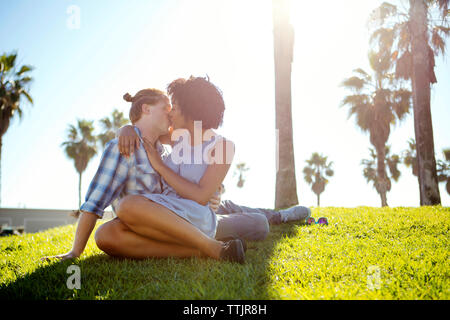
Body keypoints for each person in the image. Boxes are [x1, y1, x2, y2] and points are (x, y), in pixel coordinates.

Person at [43, 80, 244, 263]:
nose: (170, 113)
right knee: (105, 235)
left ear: (189, 109)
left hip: (190, 217)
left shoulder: (209, 146)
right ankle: (198, 250)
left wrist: (160, 166)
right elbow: (144, 130)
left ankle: (213, 247)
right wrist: (126, 129)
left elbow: (200, 192)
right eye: (167, 108)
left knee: (127, 205)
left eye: (174, 107)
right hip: (154, 221)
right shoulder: (160, 140)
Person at [209, 184, 311, 241]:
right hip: (198, 221)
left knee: (228, 205)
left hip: (206, 206)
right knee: (259, 223)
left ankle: (280, 216)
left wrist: (215, 194)